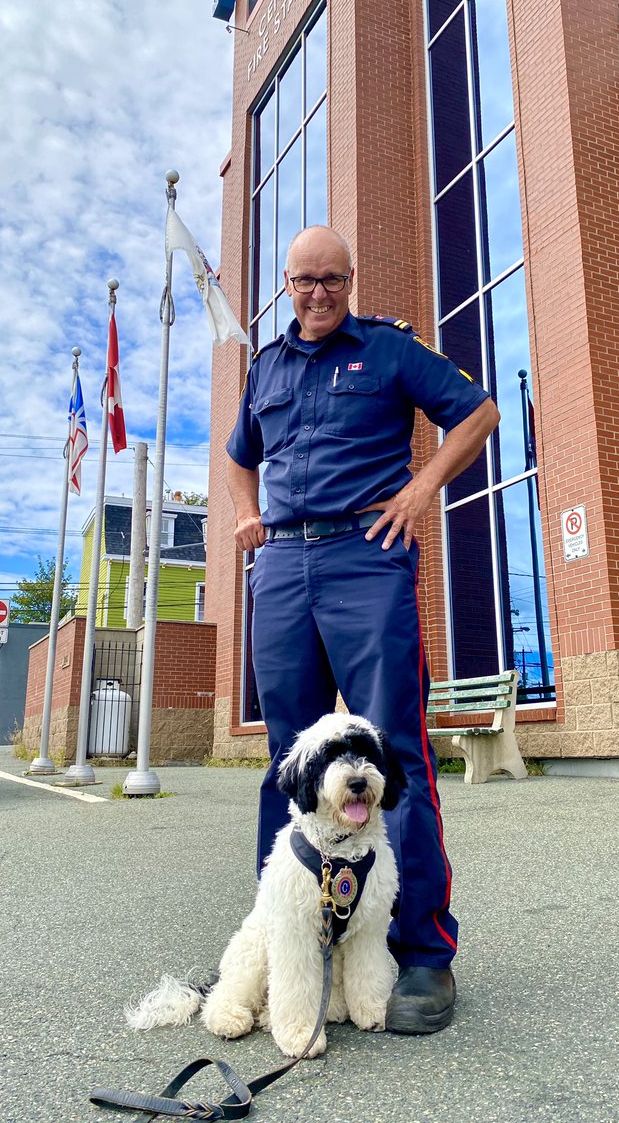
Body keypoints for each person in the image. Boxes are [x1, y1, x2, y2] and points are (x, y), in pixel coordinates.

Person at [225, 225, 500, 1034]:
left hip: (365, 557)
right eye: (304, 281)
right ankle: (283, 948)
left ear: (352, 278)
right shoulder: (265, 367)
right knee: (288, 762)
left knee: (397, 756)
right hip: (280, 566)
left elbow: (478, 412)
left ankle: (423, 956)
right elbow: (240, 454)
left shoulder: (385, 351)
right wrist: (244, 514)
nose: (318, 293)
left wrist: (420, 491)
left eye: (332, 280)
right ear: (285, 284)